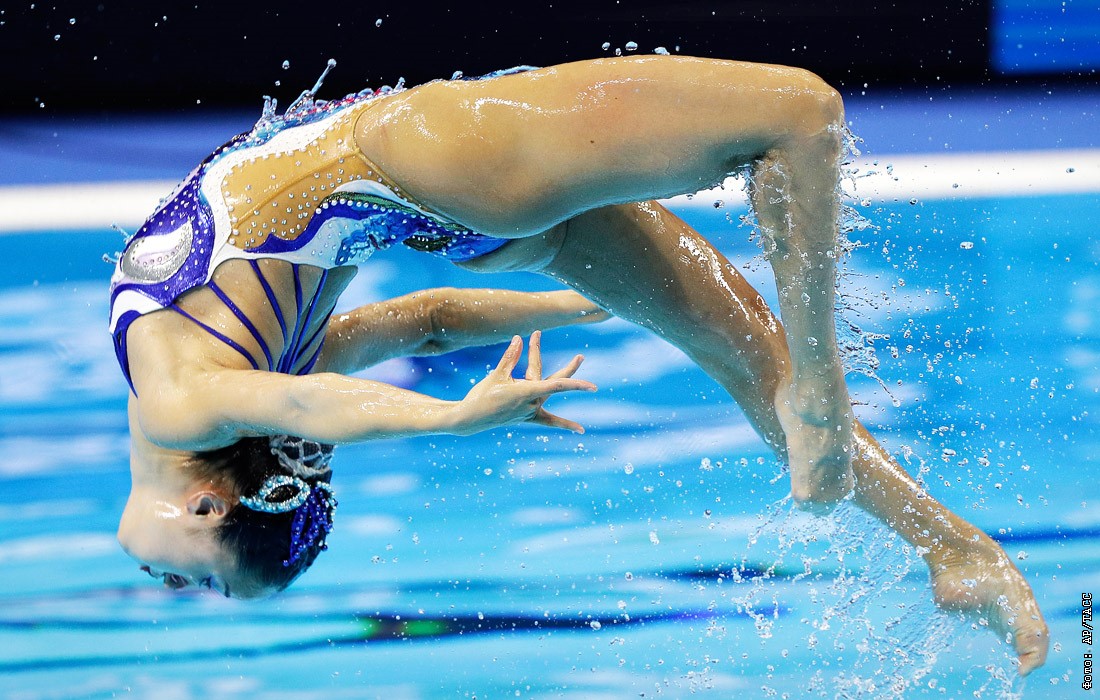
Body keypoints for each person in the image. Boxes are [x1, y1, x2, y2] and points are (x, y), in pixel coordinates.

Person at [110, 55, 1048, 674]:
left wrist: (569, 306)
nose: (174, 589)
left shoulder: (183, 399)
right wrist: (470, 400)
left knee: (737, 341)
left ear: (210, 504)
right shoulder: (187, 386)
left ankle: (950, 547)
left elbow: (383, 350)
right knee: (801, 118)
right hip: (441, 165)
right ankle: (834, 402)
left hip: (445, 201)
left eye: (195, 582)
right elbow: (375, 356)